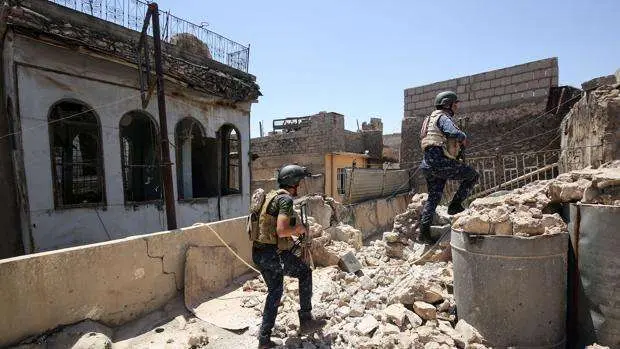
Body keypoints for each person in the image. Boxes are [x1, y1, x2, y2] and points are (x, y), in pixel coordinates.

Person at [252, 164, 326, 348]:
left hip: (259, 254)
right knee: (305, 272)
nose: (299, 187)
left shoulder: (271, 196)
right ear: (292, 182)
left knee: (275, 291)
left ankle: (264, 339)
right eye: (298, 183)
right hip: (273, 256)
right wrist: (299, 228)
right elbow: (282, 230)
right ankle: (306, 320)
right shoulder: (285, 199)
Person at [418, 91, 479, 244]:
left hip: (427, 163)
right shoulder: (443, 117)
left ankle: (424, 233)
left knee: (434, 197)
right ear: (447, 104)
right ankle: (455, 205)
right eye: (455, 104)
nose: (456, 107)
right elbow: (452, 132)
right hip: (439, 162)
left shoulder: (428, 119)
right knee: (472, 175)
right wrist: (463, 137)